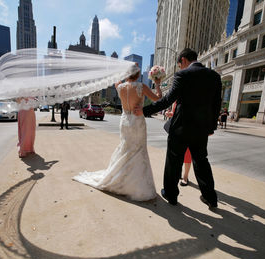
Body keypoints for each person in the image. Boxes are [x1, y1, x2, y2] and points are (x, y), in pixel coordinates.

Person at [136, 48, 222, 208]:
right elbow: (216, 105)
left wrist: (144, 111)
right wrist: (211, 128)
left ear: (183, 60)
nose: (180, 68)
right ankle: (211, 198)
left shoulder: (183, 75)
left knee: (174, 161)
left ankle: (171, 195)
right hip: (201, 129)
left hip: (181, 127)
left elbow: (167, 100)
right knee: (202, 162)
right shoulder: (215, 77)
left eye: (180, 65)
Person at [73, 64, 162, 201]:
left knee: (125, 149)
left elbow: (117, 81)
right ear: (138, 75)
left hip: (125, 120)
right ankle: (136, 185)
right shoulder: (141, 87)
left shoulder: (119, 87)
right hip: (137, 121)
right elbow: (158, 98)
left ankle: (121, 179)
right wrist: (157, 83)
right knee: (138, 150)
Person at [165, 102, 192, 187]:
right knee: (175, 154)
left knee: (187, 155)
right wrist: (169, 114)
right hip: (176, 130)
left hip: (188, 129)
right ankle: (178, 174)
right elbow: (175, 113)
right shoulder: (175, 100)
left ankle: (185, 177)